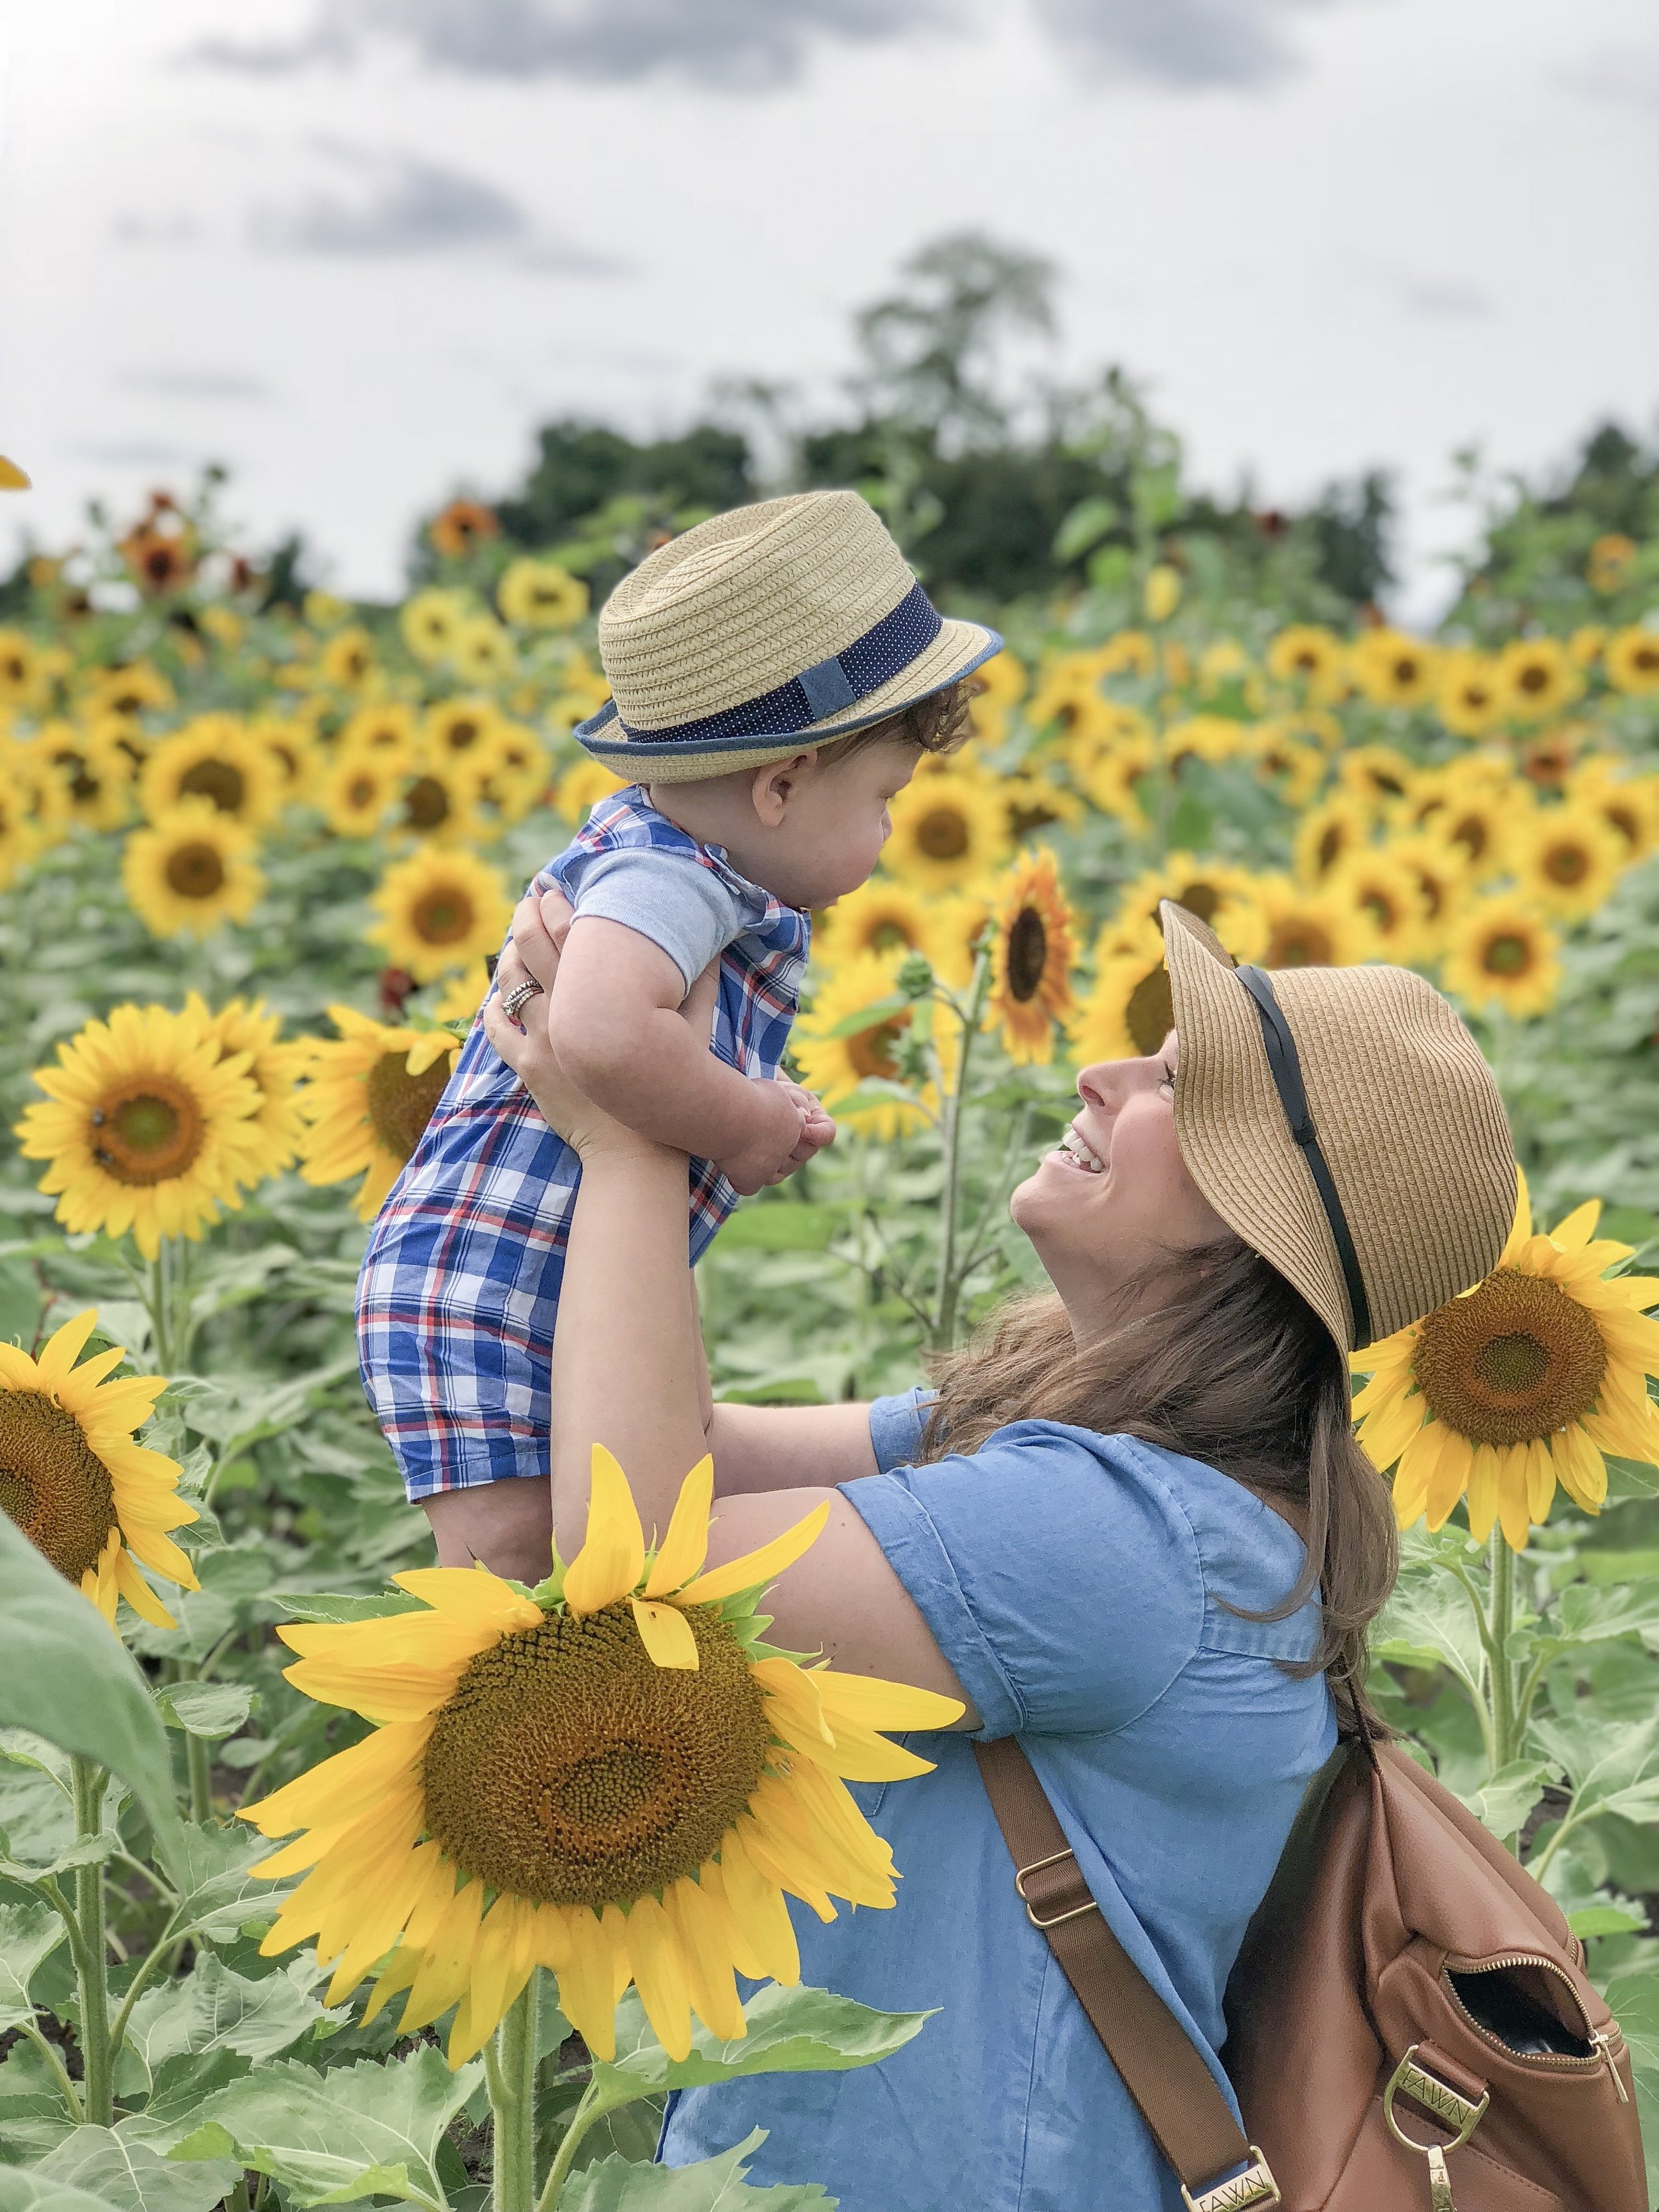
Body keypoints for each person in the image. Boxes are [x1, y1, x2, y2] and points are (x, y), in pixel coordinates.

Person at [479, 888, 1518, 2212]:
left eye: (1176, 1085)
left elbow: (626, 1558)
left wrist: (631, 1134)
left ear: (1248, 1234)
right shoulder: (1069, 1429)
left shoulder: (1126, 1536)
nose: (1102, 1067)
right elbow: (648, 1448)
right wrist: (628, 1063)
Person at [357, 488, 1001, 1578]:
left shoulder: (679, 866)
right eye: (887, 797)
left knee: (596, 1501)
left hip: (525, 1269)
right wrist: (746, 1120)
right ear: (785, 782)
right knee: (519, 1563)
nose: (892, 831)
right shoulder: (670, 875)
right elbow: (602, 1033)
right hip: (488, 1282)